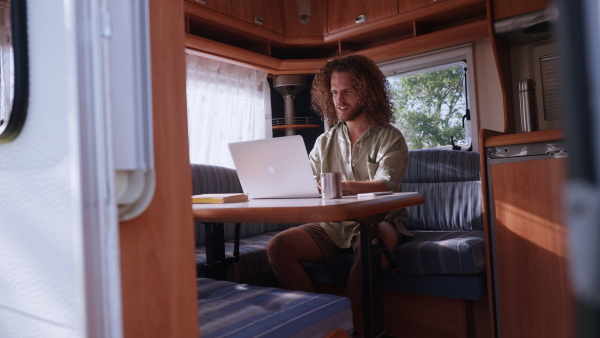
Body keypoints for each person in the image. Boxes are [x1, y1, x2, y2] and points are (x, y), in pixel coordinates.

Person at [266, 54, 411, 306]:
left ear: (367, 92)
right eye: (333, 92)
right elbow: (306, 178)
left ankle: (347, 319)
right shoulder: (325, 141)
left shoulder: (391, 137)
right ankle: (317, 317)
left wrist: (338, 186)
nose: (339, 100)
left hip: (376, 221)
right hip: (330, 226)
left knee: (380, 240)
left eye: (347, 91)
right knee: (278, 247)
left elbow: (386, 185)